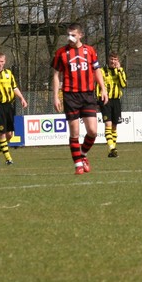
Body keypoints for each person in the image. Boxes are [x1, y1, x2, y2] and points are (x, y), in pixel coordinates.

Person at [52, 23, 108, 174]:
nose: (70, 37)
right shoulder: (61, 53)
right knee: (75, 132)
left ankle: (82, 154)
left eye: (73, 35)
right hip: (70, 96)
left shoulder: (90, 51)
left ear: (80, 35)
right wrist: (56, 96)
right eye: (68, 35)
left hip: (88, 94)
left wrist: (103, 89)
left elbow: (97, 71)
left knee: (93, 131)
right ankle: (78, 165)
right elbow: (56, 76)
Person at [0, 51, 28, 165]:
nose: (0, 64)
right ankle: (8, 159)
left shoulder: (9, 73)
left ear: (5, 61)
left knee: (9, 135)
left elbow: (14, 87)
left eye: (2, 61)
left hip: (8, 106)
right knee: (1, 133)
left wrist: (21, 98)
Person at [99, 53, 127, 157]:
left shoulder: (120, 70)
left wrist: (119, 70)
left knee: (114, 127)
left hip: (116, 100)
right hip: (105, 100)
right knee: (108, 125)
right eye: (111, 59)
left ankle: (112, 151)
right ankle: (112, 147)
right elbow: (98, 85)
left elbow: (123, 84)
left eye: (115, 59)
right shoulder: (102, 71)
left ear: (118, 61)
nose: (113, 61)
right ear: (108, 60)